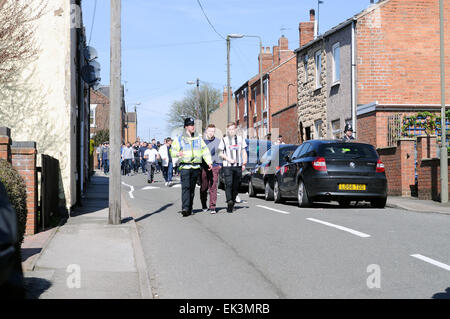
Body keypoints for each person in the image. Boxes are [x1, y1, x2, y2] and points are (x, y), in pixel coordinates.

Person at [171, 117, 212, 217]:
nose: (193, 127)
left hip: (195, 168)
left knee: (192, 189)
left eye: (193, 125)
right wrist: (177, 153)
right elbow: (172, 151)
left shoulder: (198, 138)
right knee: (186, 188)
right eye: (190, 125)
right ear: (186, 127)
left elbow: (205, 151)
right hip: (185, 167)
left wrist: (209, 162)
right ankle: (185, 208)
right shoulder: (179, 138)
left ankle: (190, 208)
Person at [218, 122, 248, 213]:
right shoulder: (224, 140)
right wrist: (228, 159)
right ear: (227, 130)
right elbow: (220, 153)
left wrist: (244, 163)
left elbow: (243, 151)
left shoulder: (240, 139)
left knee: (236, 185)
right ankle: (229, 201)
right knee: (229, 183)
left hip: (238, 166)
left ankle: (233, 201)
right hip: (227, 166)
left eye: (233, 129)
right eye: (230, 129)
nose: (231, 131)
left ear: (235, 130)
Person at [200, 124, 222, 214]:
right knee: (204, 187)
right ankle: (204, 204)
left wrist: (220, 164)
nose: (211, 133)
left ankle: (212, 206)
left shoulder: (218, 141)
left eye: (213, 131)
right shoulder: (202, 141)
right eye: (209, 131)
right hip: (204, 166)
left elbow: (220, 153)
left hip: (214, 165)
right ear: (206, 132)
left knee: (213, 186)